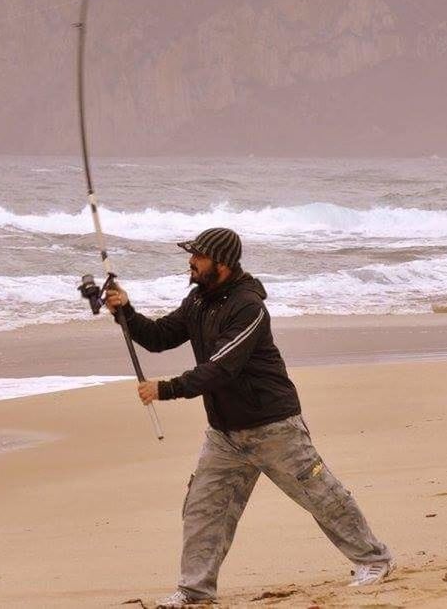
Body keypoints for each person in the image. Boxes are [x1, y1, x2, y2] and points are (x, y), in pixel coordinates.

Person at [105, 227, 394, 608]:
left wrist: (167, 389)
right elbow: (158, 336)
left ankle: (374, 561)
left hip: (274, 427)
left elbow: (222, 367)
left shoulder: (249, 307)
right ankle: (195, 591)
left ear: (221, 263)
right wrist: (124, 311)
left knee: (322, 496)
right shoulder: (198, 301)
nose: (190, 262)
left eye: (199, 256)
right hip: (224, 434)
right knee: (202, 508)